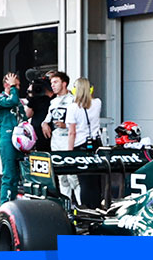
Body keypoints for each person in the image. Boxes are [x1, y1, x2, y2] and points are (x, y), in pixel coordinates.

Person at [65, 77, 104, 208]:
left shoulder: (72, 108)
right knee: (95, 181)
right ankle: (97, 207)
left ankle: (87, 208)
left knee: (84, 181)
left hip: (80, 145)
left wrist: (69, 153)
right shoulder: (97, 103)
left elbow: (72, 132)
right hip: (96, 145)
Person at [44, 71, 79, 202]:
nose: (52, 85)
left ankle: (81, 206)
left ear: (64, 84)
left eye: (55, 82)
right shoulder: (53, 102)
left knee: (73, 177)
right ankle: (66, 207)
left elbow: (80, 123)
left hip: (68, 143)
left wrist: (66, 125)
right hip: (56, 143)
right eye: (51, 83)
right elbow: (47, 119)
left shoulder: (73, 100)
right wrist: (44, 124)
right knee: (62, 177)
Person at [0, 72, 24, 204]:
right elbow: (12, 101)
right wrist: (12, 88)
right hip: (7, 139)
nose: (18, 88)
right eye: (15, 85)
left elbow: (24, 118)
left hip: (20, 140)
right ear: (7, 85)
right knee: (9, 174)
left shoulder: (19, 101)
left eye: (17, 85)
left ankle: (15, 203)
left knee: (18, 175)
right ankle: (4, 204)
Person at [25, 74, 54, 152]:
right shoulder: (35, 98)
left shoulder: (55, 99)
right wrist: (31, 95)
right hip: (38, 134)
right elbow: (27, 115)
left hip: (51, 134)